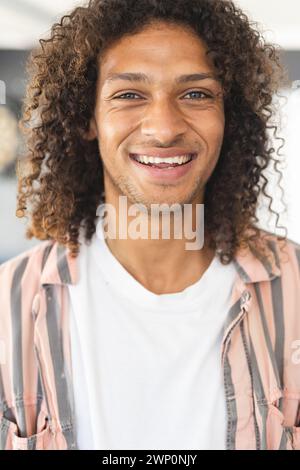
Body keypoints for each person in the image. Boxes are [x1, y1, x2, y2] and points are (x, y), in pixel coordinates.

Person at [0, 0, 299, 451]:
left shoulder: (295, 287)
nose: (163, 129)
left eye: (196, 94)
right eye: (129, 95)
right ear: (87, 119)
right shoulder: (9, 305)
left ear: (227, 117)